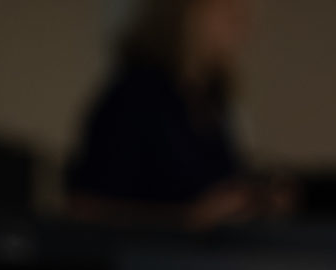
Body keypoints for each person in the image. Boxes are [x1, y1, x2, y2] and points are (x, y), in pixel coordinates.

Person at [63, 0, 272, 228]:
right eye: (228, 12)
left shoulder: (212, 103)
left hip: (209, 258)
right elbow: (85, 207)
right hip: (146, 258)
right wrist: (186, 218)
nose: (240, 26)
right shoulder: (136, 97)